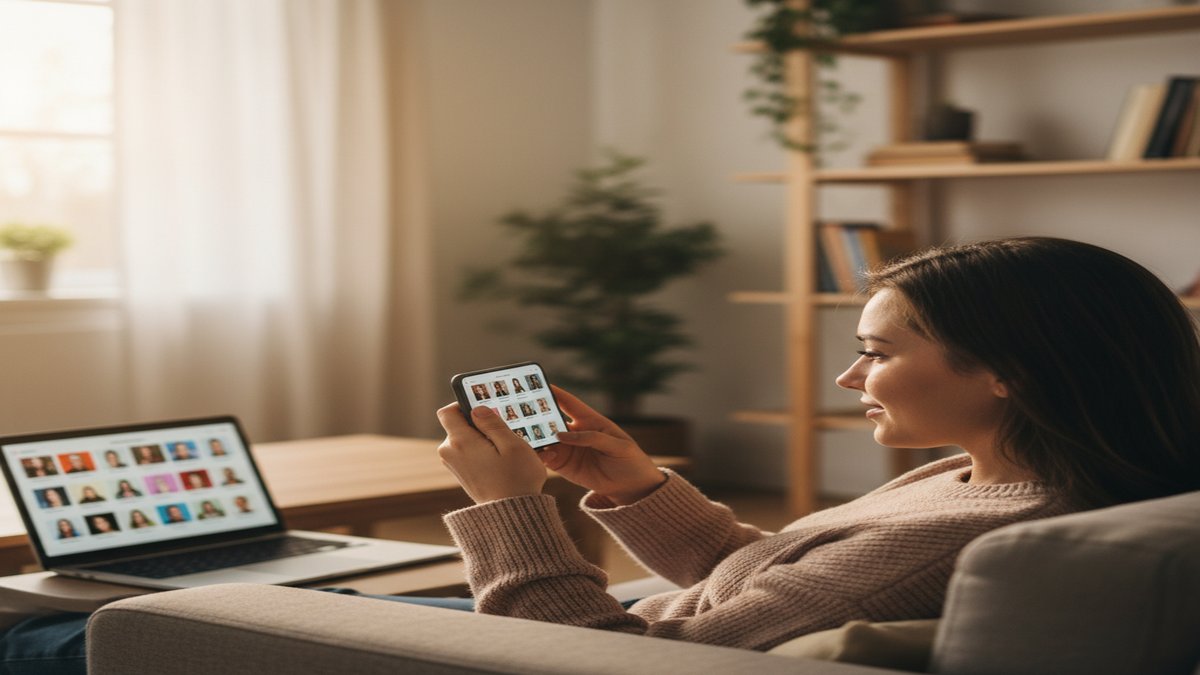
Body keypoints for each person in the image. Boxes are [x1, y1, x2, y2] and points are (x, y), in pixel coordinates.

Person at [7, 237, 1200, 668]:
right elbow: (771, 582)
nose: (850, 378)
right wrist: (630, 484)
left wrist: (509, 509)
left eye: (880, 352)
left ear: (1006, 372)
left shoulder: (965, 527)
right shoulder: (1020, 475)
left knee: (48, 628)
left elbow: (591, 661)